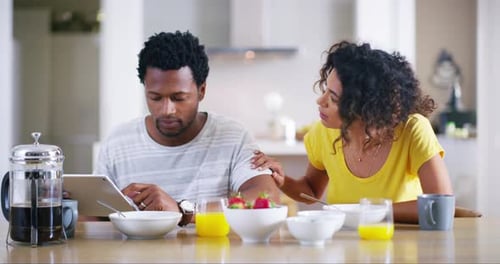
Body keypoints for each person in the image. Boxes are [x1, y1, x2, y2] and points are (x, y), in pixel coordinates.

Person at [252, 40, 453, 224]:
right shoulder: (322, 133)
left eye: (333, 98)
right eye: (324, 91)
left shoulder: (413, 130)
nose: (320, 101)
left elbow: (440, 206)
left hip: (400, 247)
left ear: (367, 107)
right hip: (344, 245)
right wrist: (282, 180)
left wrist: (367, 212)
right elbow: (311, 190)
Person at [95, 31, 279, 226]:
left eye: (178, 98)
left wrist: (184, 212)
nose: (167, 110)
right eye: (155, 97)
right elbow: (93, 215)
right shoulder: (118, 141)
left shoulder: (232, 136)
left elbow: (267, 198)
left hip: (210, 255)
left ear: (201, 91)